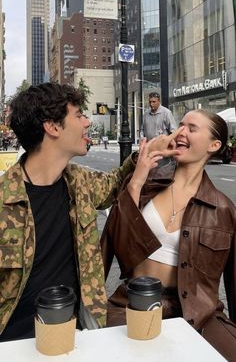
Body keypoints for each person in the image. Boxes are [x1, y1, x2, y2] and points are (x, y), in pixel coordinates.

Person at [0, 82, 143, 342]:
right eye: (78, 115)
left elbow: (114, 183)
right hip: (14, 344)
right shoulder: (3, 199)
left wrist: (144, 156)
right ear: (52, 127)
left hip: (78, 339)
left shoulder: (79, 183)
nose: (87, 122)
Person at [101, 109, 236, 360]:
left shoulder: (224, 209)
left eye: (192, 128)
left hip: (199, 312)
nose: (180, 132)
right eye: (180, 125)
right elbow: (114, 243)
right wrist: (136, 181)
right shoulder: (145, 183)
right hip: (132, 303)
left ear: (214, 145)